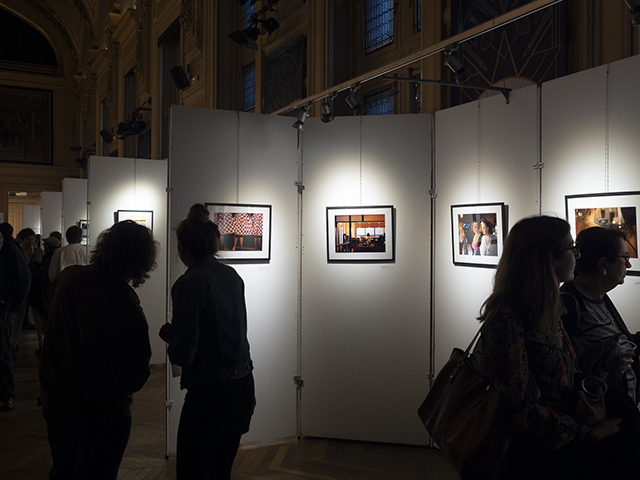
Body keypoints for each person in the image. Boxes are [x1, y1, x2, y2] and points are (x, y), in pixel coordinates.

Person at [470, 215, 639, 479]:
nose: (578, 255)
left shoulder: (546, 311)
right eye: (572, 249)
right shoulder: (507, 320)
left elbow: (565, 376)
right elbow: (524, 413)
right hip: (527, 460)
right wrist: (592, 432)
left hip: (557, 450)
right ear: (548, 259)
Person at [39, 220, 158, 480]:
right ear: (142, 260)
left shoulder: (70, 278)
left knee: (63, 471)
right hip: (101, 415)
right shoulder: (125, 306)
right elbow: (134, 376)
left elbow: (47, 300)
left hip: (58, 403)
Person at [159, 204, 255, 480]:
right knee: (221, 470)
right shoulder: (232, 276)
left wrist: (170, 336)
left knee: (193, 471)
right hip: (242, 385)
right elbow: (240, 334)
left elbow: (183, 354)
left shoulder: (189, 284)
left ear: (182, 247)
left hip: (209, 395)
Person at [561, 226, 639, 403]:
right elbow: (565, 370)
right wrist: (610, 363)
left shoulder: (600, 296)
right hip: (594, 414)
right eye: (625, 257)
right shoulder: (568, 305)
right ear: (603, 264)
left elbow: (618, 341)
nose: (629, 264)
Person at [0, 223, 31, 412]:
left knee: (3, 353)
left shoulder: (9, 249)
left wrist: (13, 305)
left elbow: (24, 278)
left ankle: (7, 395)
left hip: (2, 307)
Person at [11, 228, 44, 352]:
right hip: (21, 288)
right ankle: (13, 342)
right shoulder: (17, 252)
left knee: (38, 316)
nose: (31, 242)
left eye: (32, 239)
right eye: (28, 239)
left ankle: (42, 342)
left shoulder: (38, 252)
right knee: (18, 316)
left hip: (35, 288)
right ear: (22, 240)